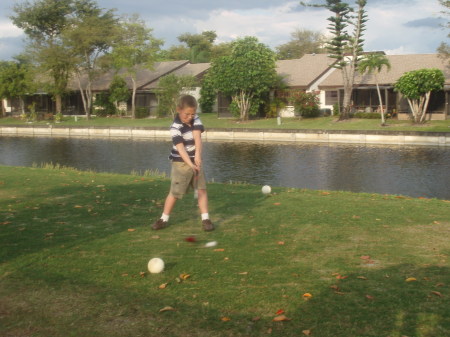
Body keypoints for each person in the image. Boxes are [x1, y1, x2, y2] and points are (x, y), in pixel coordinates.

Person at [152, 95, 214, 231]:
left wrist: (198, 155)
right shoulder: (175, 127)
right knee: (175, 193)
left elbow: (197, 137)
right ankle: (163, 219)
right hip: (180, 162)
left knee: (201, 189)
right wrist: (191, 165)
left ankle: (206, 219)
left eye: (193, 114)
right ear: (178, 110)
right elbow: (180, 149)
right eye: (187, 114)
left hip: (195, 159)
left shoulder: (195, 119)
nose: (190, 117)